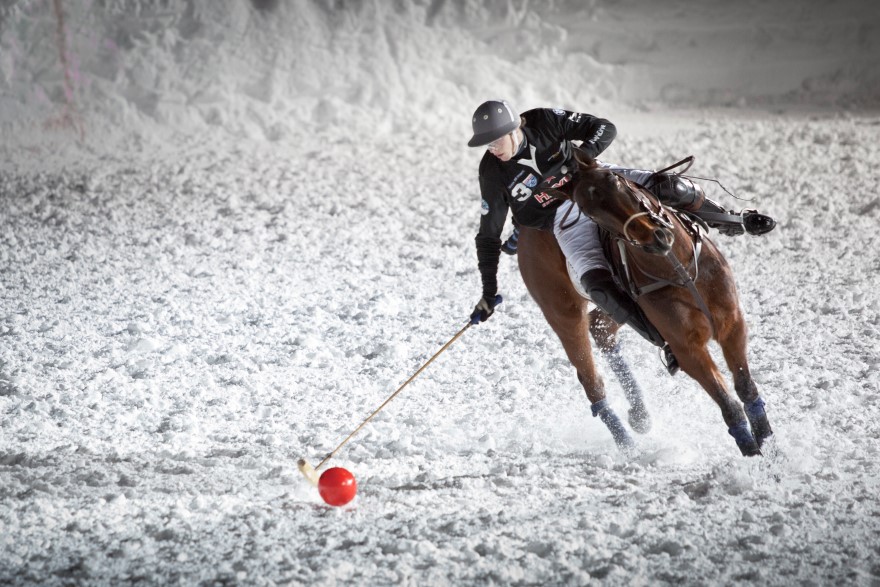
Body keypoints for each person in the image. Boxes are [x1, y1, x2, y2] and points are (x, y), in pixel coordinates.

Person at [466, 99, 775, 374]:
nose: (491, 148)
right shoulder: (492, 172)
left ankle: (733, 219)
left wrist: (580, 160)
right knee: (596, 285)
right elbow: (488, 234)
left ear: (513, 129)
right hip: (564, 216)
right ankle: (663, 341)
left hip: (597, 180)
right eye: (487, 144)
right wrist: (488, 290)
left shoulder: (543, 120)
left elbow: (603, 128)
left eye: (494, 141)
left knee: (669, 186)